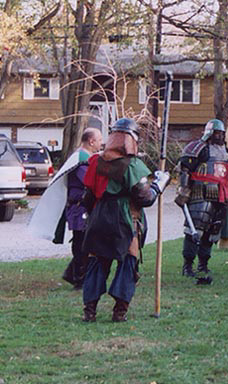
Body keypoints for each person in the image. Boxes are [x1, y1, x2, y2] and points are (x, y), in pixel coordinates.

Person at [81, 118, 170, 322]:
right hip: (125, 218)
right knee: (128, 262)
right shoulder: (133, 165)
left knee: (97, 262)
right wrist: (159, 184)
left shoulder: (95, 160)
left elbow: (88, 196)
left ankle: (90, 311)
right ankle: (119, 312)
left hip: (99, 216)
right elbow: (144, 198)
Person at [175, 119, 228, 283]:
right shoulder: (199, 148)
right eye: (217, 132)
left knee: (212, 232)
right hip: (201, 193)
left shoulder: (225, 152)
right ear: (210, 133)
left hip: (221, 195)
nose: (220, 135)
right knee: (194, 230)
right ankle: (187, 265)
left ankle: (203, 265)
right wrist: (184, 189)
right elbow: (184, 168)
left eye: (222, 133)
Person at [61, 128, 103, 289]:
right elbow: (89, 181)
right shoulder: (81, 159)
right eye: (99, 140)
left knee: (87, 242)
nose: (101, 142)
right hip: (79, 208)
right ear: (91, 141)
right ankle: (79, 278)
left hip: (83, 207)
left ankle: (74, 274)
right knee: (81, 243)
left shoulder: (86, 158)